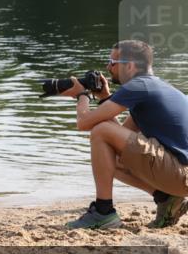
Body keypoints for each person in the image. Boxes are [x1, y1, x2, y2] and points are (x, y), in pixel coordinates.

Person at [61, 39, 188, 229]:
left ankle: (103, 212)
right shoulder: (153, 87)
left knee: (100, 130)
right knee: (112, 153)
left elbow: (84, 123)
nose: (108, 66)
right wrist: (104, 98)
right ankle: (166, 198)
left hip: (179, 174)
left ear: (129, 66)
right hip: (180, 175)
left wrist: (82, 96)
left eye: (112, 62)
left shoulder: (138, 86)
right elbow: (120, 136)